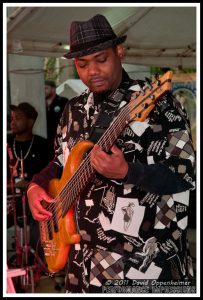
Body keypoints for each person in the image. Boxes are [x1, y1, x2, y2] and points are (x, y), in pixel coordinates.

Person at [27, 14, 195, 293]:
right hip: (84, 267)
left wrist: (129, 171)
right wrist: (36, 185)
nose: (92, 71)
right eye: (82, 65)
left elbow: (185, 175)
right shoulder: (74, 109)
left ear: (120, 52)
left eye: (101, 60)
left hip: (145, 269)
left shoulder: (160, 103)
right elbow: (60, 161)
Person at [7, 102, 53, 266]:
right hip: (9, 200)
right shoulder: (6, 143)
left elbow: (52, 176)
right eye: (12, 118)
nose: (12, 122)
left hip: (33, 201)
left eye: (18, 118)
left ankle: (36, 264)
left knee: (42, 217)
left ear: (31, 121)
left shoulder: (43, 146)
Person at [45, 80, 68, 150]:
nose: (44, 91)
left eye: (46, 88)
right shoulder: (40, 103)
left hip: (59, 138)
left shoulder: (63, 101)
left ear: (53, 89)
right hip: (45, 139)